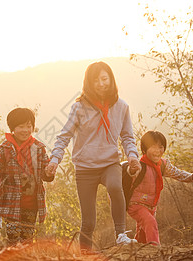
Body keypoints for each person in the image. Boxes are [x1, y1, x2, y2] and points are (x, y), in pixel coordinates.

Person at [46, 61, 141, 251]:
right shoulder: (79, 108)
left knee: (115, 186)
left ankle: (120, 234)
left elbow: (127, 136)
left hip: (110, 163)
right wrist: (54, 160)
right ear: (89, 83)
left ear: (111, 79)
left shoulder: (122, 107)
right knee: (88, 221)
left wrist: (132, 156)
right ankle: (85, 257)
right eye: (95, 80)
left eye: (104, 79)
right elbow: (64, 136)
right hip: (85, 168)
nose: (101, 84)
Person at [0, 108, 54, 245]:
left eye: (29, 126)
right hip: (10, 203)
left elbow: (45, 173)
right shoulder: (4, 149)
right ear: (12, 128)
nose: (25, 130)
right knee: (12, 238)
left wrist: (49, 173)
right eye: (21, 126)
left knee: (27, 239)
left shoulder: (39, 148)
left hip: (32, 203)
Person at [126, 130, 193, 245]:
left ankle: (139, 250)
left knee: (143, 231)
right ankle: (155, 249)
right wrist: (131, 169)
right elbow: (130, 173)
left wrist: (190, 177)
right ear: (144, 149)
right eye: (153, 147)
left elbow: (177, 173)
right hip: (135, 204)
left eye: (160, 147)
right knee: (150, 222)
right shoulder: (140, 165)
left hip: (151, 206)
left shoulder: (163, 165)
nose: (158, 151)